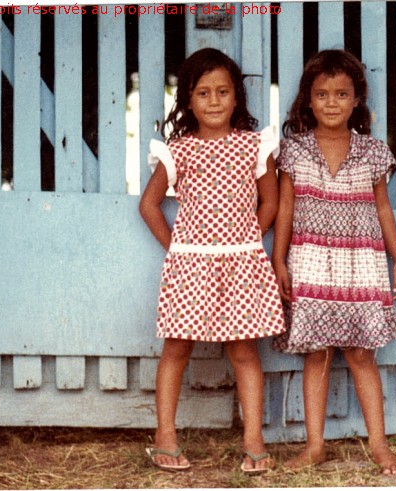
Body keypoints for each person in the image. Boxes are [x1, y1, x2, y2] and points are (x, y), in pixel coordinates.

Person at [139, 48, 285, 474]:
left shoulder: (254, 145)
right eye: (203, 93)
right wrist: (180, 249)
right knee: (177, 347)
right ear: (188, 100)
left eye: (223, 91)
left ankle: (253, 441)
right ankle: (165, 435)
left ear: (237, 97)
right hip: (191, 266)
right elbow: (149, 206)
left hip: (242, 263)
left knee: (244, 351)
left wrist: (245, 240)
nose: (215, 100)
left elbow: (271, 201)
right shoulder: (179, 150)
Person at [272, 50, 396, 475]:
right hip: (310, 260)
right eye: (322, 94)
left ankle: (380, 446)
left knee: (361, 354)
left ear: (356, 100)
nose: (332, 102)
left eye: (341, 94)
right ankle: (315, 447)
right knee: (316, 354)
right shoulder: (293, 151)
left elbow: (383, 209)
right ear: (308, 101)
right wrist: (279, 260)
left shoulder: (372, 152)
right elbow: (285, 211)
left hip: (361, 262)